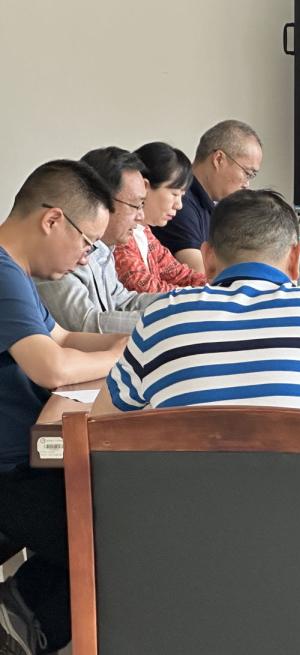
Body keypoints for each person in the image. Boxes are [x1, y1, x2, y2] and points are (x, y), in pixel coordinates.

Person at [91, 189, 300, 444]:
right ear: (296, 259)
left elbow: (99, 428)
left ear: (208, 258)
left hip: (183, 517)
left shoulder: (161, 318)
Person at [0, 160, 129, 655]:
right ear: (53, 219)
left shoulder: (16, 273)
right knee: (123, 538)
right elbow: (51, 367)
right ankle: (23, 624)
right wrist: (118, 355)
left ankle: (21, 612)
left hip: (25, 462)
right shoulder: (2, 273)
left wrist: (130, 342)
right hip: (11, 473)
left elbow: (63, 337)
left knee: (120, 510)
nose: (84, 259)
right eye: (88, 243)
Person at [35, 148, 162, 334]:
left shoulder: (103, 248)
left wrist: (178, 303)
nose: (141, 216)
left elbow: (124, 302)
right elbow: (85, 325)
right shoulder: (60, 251)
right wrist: (165, 321)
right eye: (136, 205)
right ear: (100, 200)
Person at [152, 120, 263, 274]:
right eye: (247, 173)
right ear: (218, 159)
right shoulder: (181, 204)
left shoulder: (211, 205)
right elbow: (201, 274)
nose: (247, 184)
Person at [113, 141, 207, 293]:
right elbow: (146, 289)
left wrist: (218, 285)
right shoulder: (119, 235)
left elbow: (180, 274)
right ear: (144, 186)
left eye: (182, 196)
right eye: (174, 194)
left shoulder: (145, 233)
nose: (179, 205)